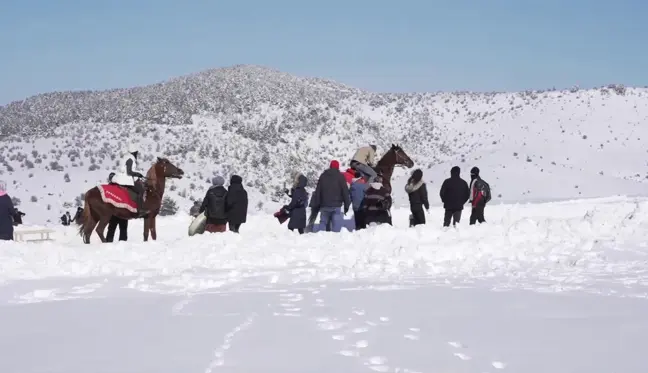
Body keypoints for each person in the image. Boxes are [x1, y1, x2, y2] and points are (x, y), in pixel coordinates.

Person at [309, 160, 351, 232]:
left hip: (324, 204)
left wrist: (318, 203)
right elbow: (345, 192)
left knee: (323, 223)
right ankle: (335, 239)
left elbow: (318, 190)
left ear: (330, 166)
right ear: (338, 167)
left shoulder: (323, 176)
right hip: (336, 205)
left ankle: (320, 238)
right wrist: (346, 206)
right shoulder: (340, 177)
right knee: (336, 225)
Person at [110, 144, 149, 218]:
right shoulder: (130, 159)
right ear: (134, 153)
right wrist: (138, 174)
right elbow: (129, 172)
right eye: (136, 153)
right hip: (125, 179)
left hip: (122, 178)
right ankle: (140, 210)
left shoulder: (126, 157)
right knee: (140, 191)